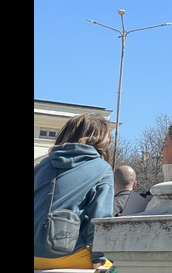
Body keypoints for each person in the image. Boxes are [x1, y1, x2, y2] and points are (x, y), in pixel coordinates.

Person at [34, 113, 115, 270]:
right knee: (121, 266)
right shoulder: (102, 169)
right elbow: (100, 219)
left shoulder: (42, 165)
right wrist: (99, 257)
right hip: (64, 254)